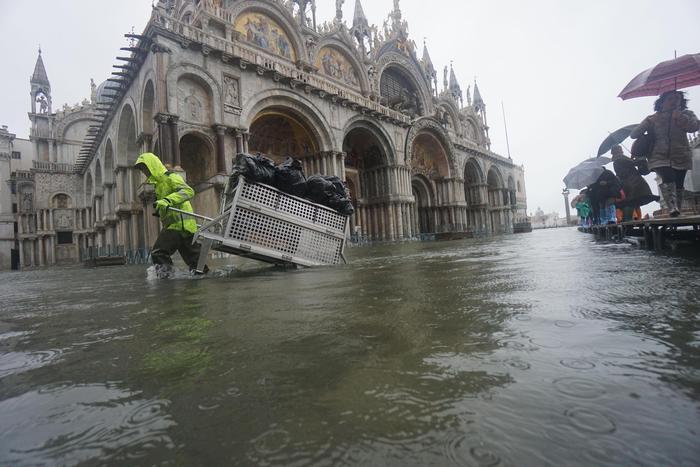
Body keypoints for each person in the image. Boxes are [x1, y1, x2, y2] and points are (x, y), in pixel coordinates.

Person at [134, 152, 208, 277]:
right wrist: (161, 210)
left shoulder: (170, 177)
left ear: (152, 165)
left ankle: (167, 280)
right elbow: (169, 204)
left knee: (159, 253)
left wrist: (167, 201)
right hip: (184, 227)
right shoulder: (158, 185)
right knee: (197, 265)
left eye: (145, 168)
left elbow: (188, 191)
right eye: (142, 170)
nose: (144, 172)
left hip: (178, 225)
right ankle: (208, 279)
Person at [630, 90, 699, 217]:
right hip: (658, 156)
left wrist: (681, 118)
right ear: (662, 103)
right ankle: (673, 208)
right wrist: (646, 128)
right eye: (671, 98)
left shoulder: (687, 114)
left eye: (677, 98)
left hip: (681, 154)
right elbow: (633, 134)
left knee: (679, 183)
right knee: (669, 177)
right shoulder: (652, 119)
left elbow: (694, 127)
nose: (674, 101)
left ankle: (678, 208)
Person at [610, 145, 658, 222]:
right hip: (632, 182)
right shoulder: (621, 158)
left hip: (629, 183)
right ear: (619, 151)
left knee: (632, 201)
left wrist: (632, 159)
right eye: (620, 150)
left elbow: (624, 170)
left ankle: (629, 220)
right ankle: (631, 219)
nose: (622, 151)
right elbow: (629, 167)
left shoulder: (618, 160)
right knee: (632, 201)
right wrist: (635, 159)